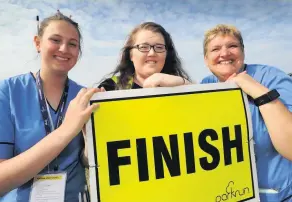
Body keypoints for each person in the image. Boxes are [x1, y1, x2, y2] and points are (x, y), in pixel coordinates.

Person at [0, 12, 100, 201]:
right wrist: (66, 130)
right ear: (38, 43)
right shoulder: (5, 92)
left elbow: (88, 162)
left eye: (72, 44)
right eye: (55, 40)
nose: (64, 49)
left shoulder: (86, 97)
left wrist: (91, 148)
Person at [201, 24, 292, 202]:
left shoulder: (273, 77)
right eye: (215, 49)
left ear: (243, 52)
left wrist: (257, 91)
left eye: (232, 46)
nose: (224, 53)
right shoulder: (205, 84)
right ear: (206, 59)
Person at [98, 22, 191, 90]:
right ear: (131, 55)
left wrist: (183, 83)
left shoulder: (179, 85)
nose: (152, 53)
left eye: (159, 47)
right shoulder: (110, 87)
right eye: (143, 47)